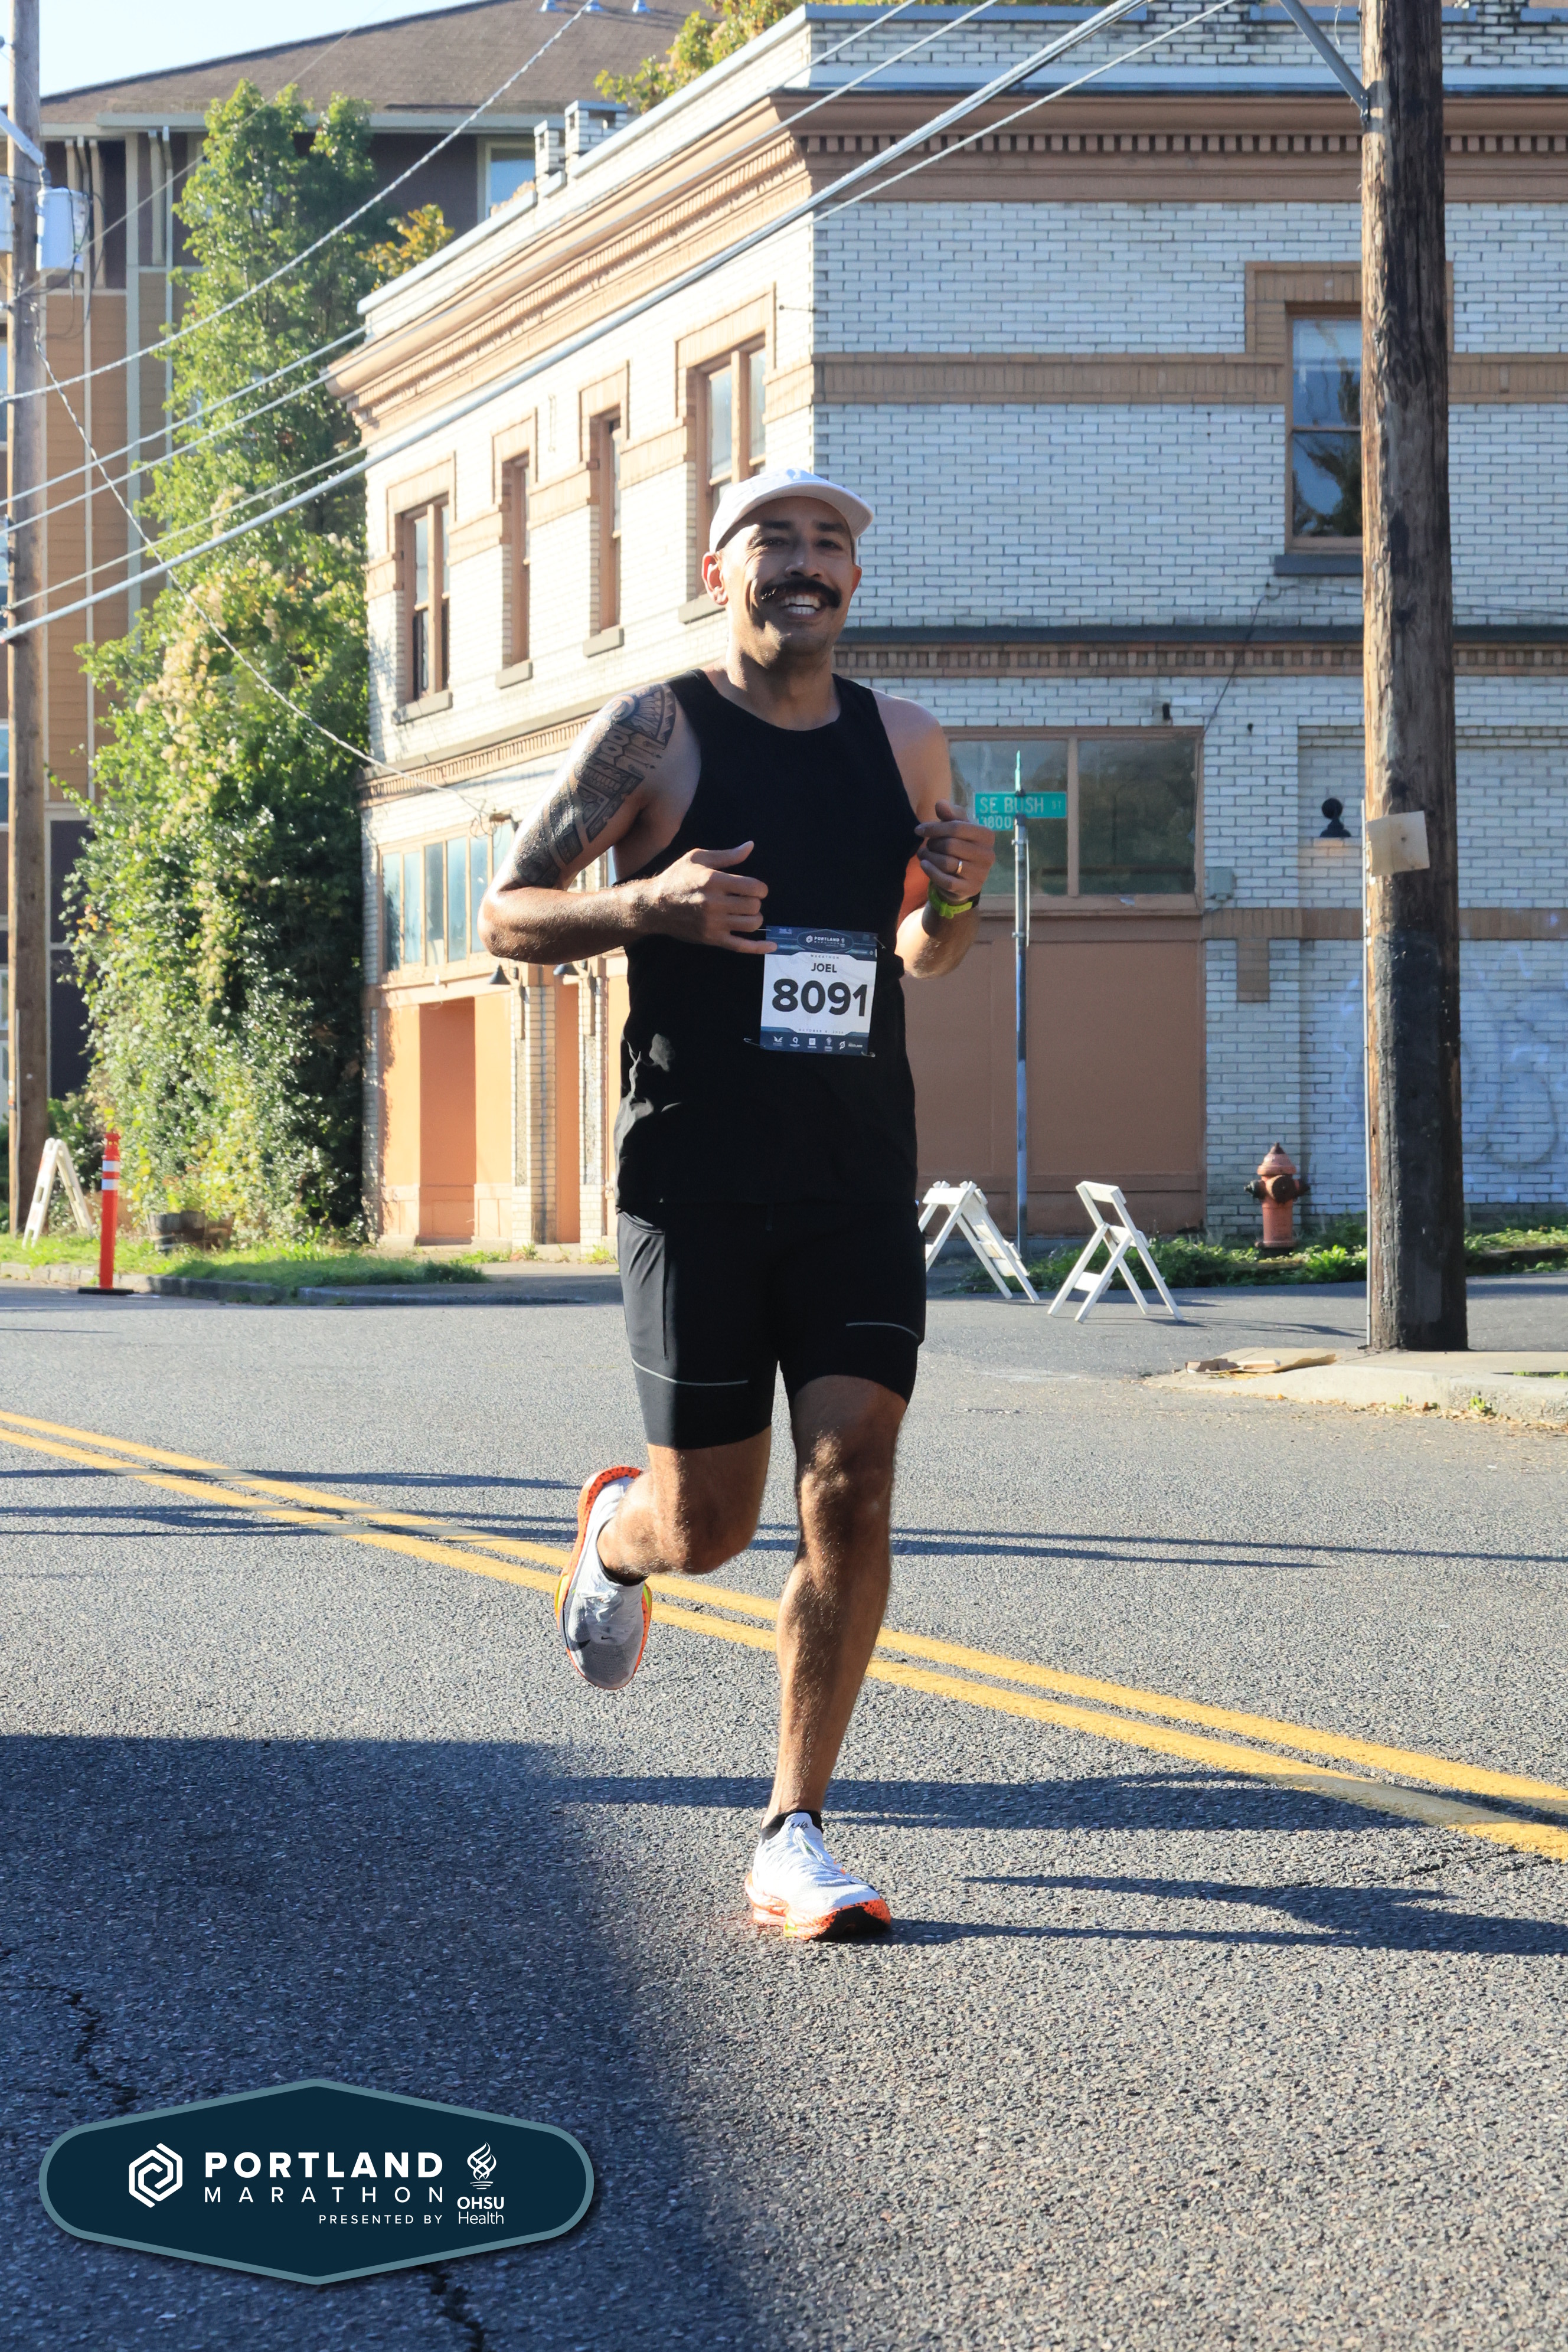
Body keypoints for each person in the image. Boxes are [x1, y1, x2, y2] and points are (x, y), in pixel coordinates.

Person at [479, 466, 995, 1939]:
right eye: (775, 539)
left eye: (830, 542)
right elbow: (507, 910)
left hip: (851, 1172)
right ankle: (614, 1537)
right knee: (705, 1526)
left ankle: (792, 1828)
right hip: (692, 1175)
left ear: (854, 580)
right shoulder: (656, 729)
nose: (805, 562)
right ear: (723, 571)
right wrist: (642, 906)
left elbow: (923, 956)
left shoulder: (906, 740)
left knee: (853, 1476)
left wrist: (957, 895)